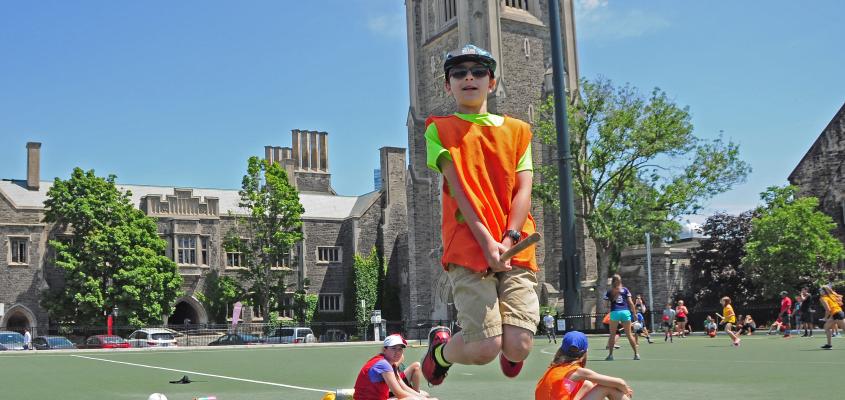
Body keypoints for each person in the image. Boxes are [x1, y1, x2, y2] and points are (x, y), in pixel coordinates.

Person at [421, 44, 540, 386]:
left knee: (519, 347)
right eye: (459, 73)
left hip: (514, 244)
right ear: (448, 85)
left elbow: (523, 190)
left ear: (492, 81)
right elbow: (460, 192)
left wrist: (509, 238)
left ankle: (510, 345)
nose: (469, 77)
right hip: (469, 245)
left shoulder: (519, 131)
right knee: (485, 348)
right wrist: (489, 243)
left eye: (478, 71)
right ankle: (440, 351)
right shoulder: (438, 129)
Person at [535, 331, 633, 400]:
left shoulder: (555, 367)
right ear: (585, 351)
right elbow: (620, 383)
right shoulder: (578, 372)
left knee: (588, 384)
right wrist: (626, 391)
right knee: (607, 387)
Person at [353, 334, 435, 400]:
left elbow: (403, 387)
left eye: (400, 349)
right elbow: (399, 394)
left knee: (424, 396)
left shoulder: (388, 363)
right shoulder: (383, 364)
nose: (397, 352)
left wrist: (423, 398)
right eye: (393, 348)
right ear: (384, 350)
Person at [603, 274, 640, 361]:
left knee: (612, 334)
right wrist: (634, 313)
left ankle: (611, 355)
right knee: (629, 334)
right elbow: (630, 303)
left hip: (615, 312)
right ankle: (636, 354)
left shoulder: (610, 291)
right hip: (625, 312)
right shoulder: (625, 290)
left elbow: (605, 305)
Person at [819, 285, 845, 350]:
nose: (819, 291)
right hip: (836, 314)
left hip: (838, 314)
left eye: (820, 290)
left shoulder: (823, 298)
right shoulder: (831, 295)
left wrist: (825, 318)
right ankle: (829, 345)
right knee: (826, 327)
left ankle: (829, 344)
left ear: (824, 291)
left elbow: (828, 310)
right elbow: (841, 302)